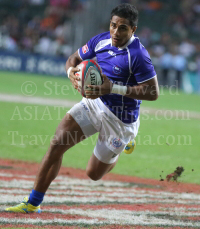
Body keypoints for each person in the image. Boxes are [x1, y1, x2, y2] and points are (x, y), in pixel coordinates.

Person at [5, 3, 159, 213]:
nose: (115, 32)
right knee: (57, 144)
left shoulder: (138, 55)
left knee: (93, 173)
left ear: (133, 30)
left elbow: (152, 92)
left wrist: (112, 88)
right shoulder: (101, 39)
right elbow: (73, 59)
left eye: (122, 28)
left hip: (121, 120)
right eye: (113, 25)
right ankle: (33, 202)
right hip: (94, 103)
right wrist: (72, 75)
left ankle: (124, 144)